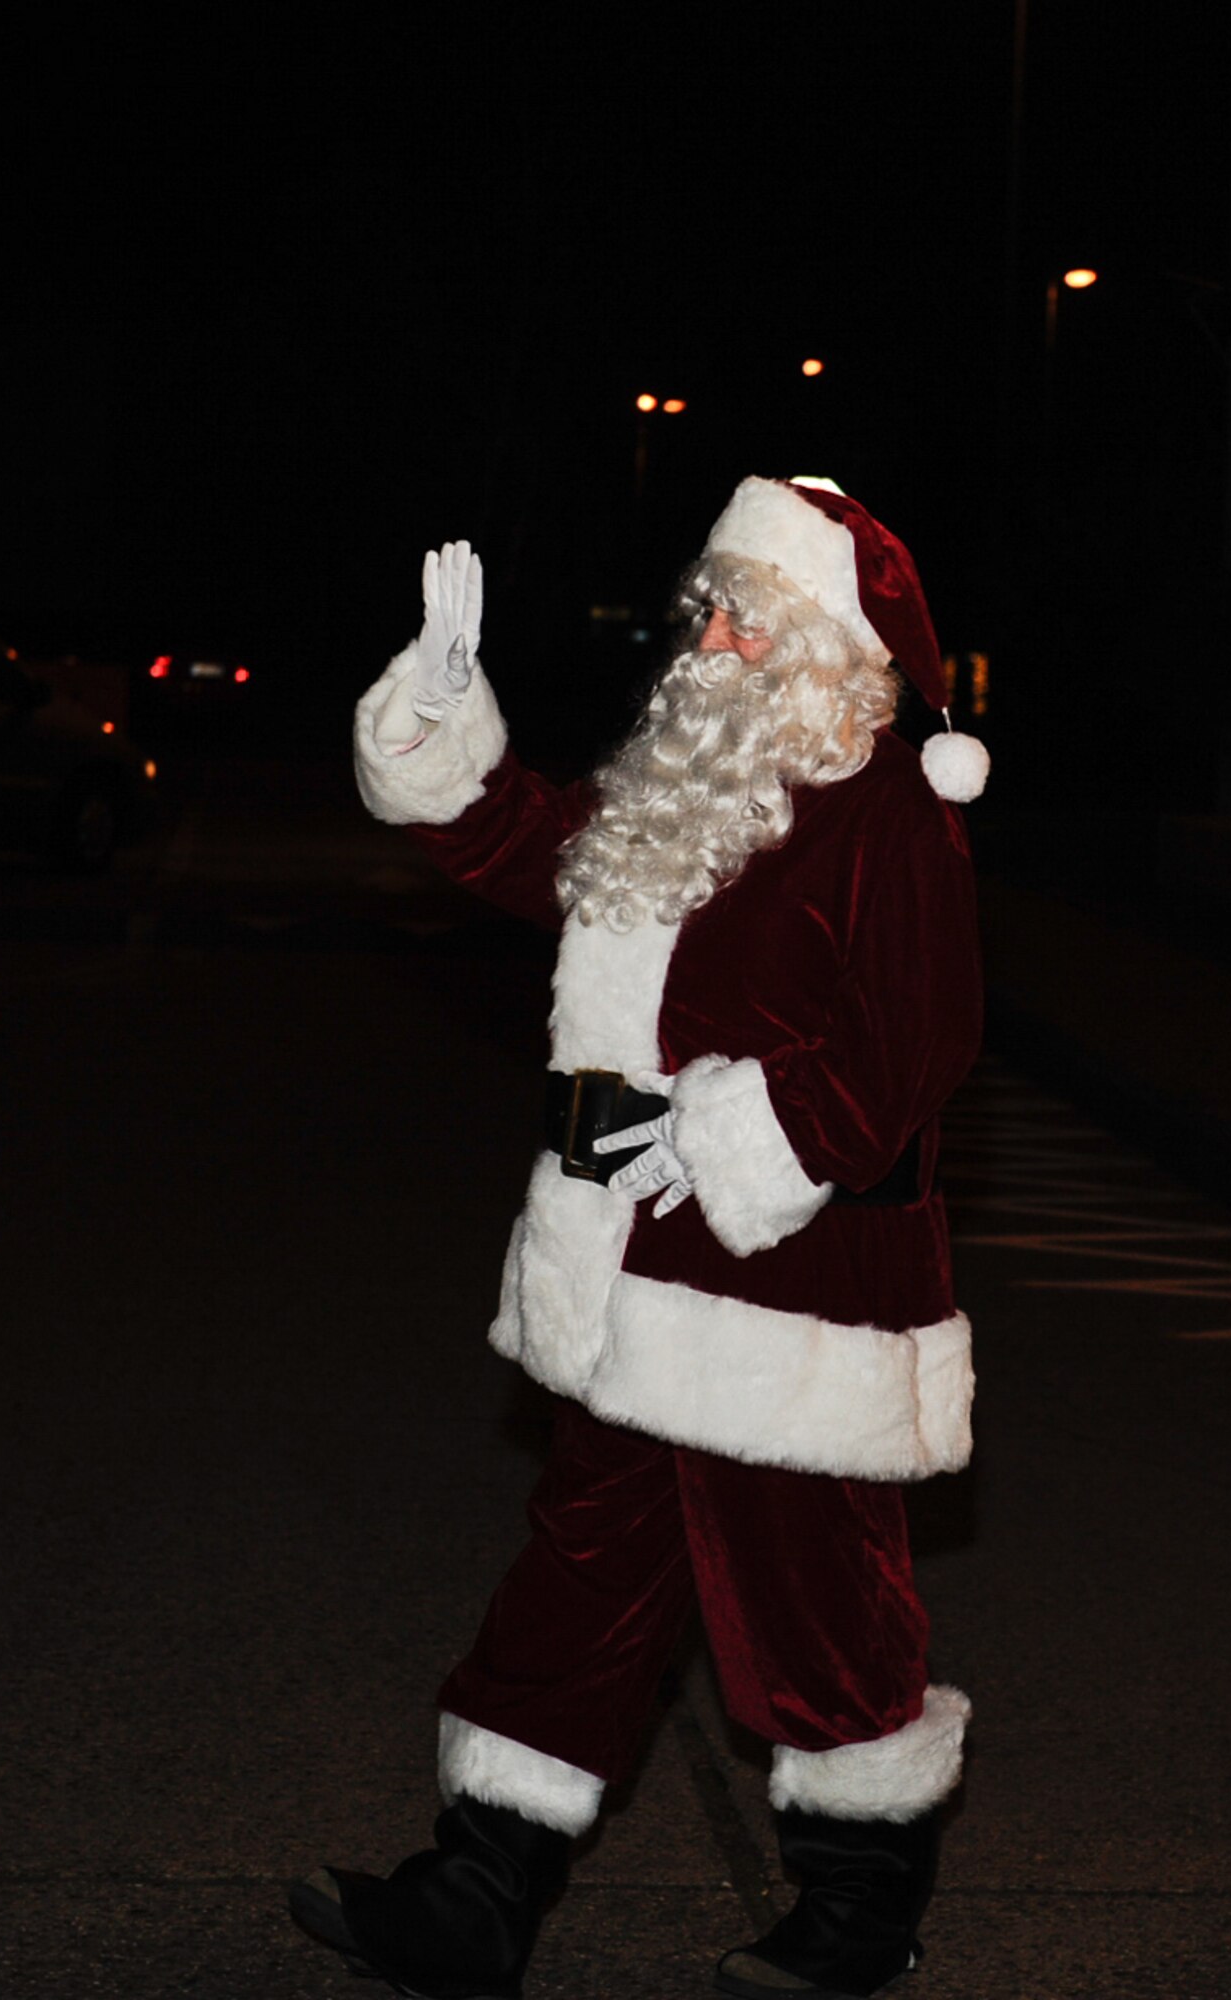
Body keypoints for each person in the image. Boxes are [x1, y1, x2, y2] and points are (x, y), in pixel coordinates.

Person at [290, 476, 988, 2000]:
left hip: (784, 1290)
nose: (717, 639)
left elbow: (914, 1044)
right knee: (577, 1589)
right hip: (624, 1269)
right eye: (716, 608)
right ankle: (474, 1899)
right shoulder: (687, 785)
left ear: (837, 649)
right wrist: (444, 715)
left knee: (819, 1605)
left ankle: (862, 1918)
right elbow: (539, 849)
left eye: (756, 615)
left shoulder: (882, 807)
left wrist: (741, 1131)